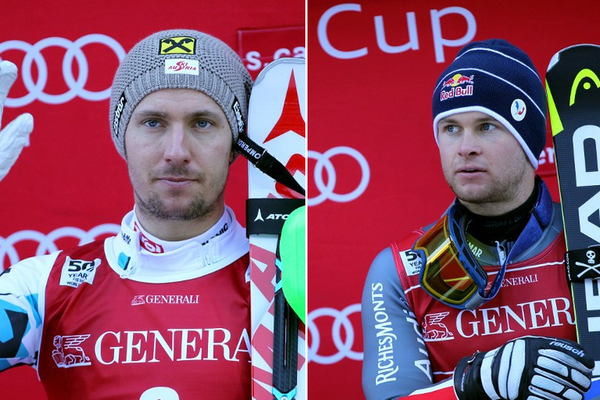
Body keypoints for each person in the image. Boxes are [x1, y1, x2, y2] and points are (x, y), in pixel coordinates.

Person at [0, 29, 253, 399]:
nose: (176, 151)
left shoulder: (280, 282)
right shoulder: (46, 288)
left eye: (202, 123)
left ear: (235, 145)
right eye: (153, 123)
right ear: (123, 139)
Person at [361, 39, 594, 400]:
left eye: (486, 126)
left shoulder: (588, 238)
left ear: (528, 140)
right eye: (451, 128)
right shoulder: (402, 270)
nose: (465, 146)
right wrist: (472, 385)